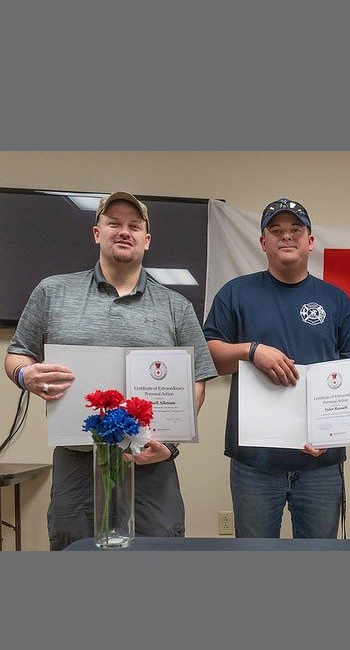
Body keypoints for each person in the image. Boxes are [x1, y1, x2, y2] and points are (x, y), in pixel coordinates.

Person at [4, 191, 216, 550]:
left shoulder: (176, 305)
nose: (124, 231)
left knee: (160, 552)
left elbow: (195, 380)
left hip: (150, 460)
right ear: (96, 232)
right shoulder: (53, 291)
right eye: (114, 223)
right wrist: (26, 375)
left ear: (146, 240)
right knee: (75, 552)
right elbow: (17, 354)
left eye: (135, 226)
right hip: (77, 459)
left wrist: (169, 443)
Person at [203, 197, 350, 539]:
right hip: (255, 462)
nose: (286, 236)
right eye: (276, 231)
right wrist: (251, 351)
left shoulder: (336, 300)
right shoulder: (236, 293)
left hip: (320, 463)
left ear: (311, 241)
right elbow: (208, 355)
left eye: (296, 229)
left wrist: (334, 429)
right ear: (263, 243)